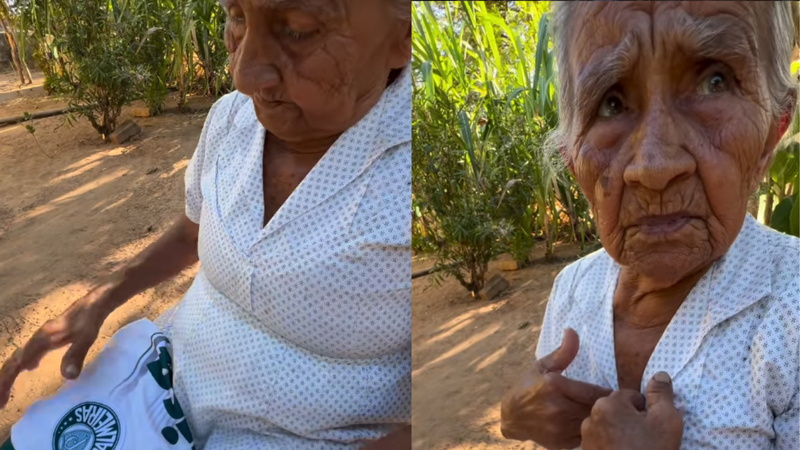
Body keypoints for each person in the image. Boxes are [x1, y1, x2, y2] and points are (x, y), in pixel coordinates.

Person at [0, 0, 412, 448]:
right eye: (237, 16)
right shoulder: (233, 116)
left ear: (402, 38)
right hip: (161, 380)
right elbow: (193, 230)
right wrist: (103, 297)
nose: (244, 73)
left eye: (299, 29)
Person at [501, 1, 798, 449]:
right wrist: (515, 418)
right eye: (611, 103)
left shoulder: (790, 309)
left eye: (714, 82)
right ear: (572, 159)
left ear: (772, 132)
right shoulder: (571, 291)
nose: (654, 166)